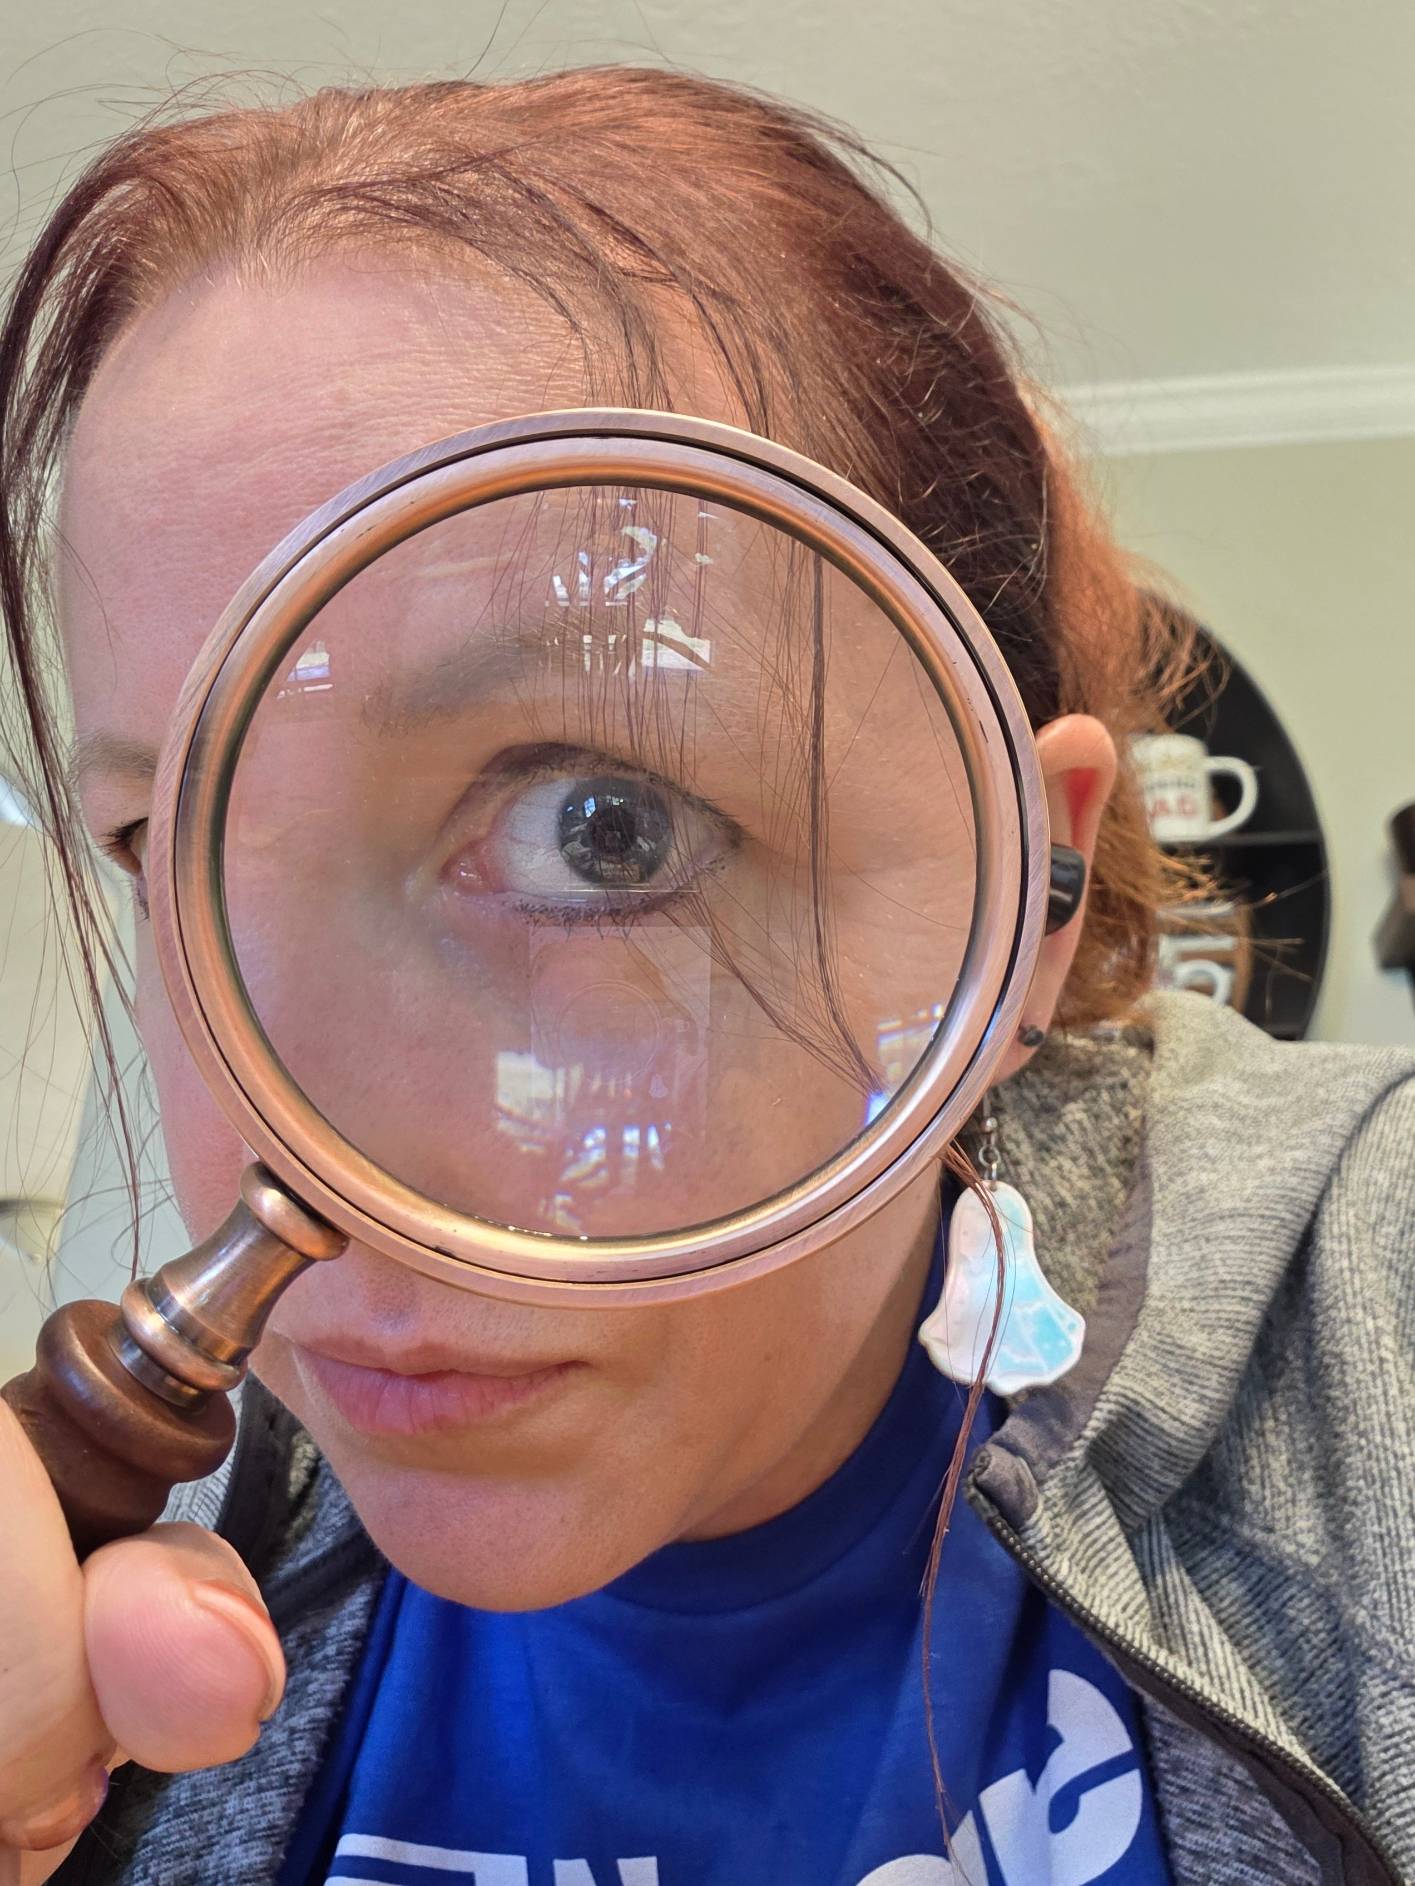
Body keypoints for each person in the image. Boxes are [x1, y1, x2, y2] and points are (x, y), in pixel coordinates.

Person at [0, 67, 1411, 1886]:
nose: (326, 1162)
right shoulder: (105, 1584)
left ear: (1029, 886)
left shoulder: (1358, 1316)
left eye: (605, 831)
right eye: (158, 849)